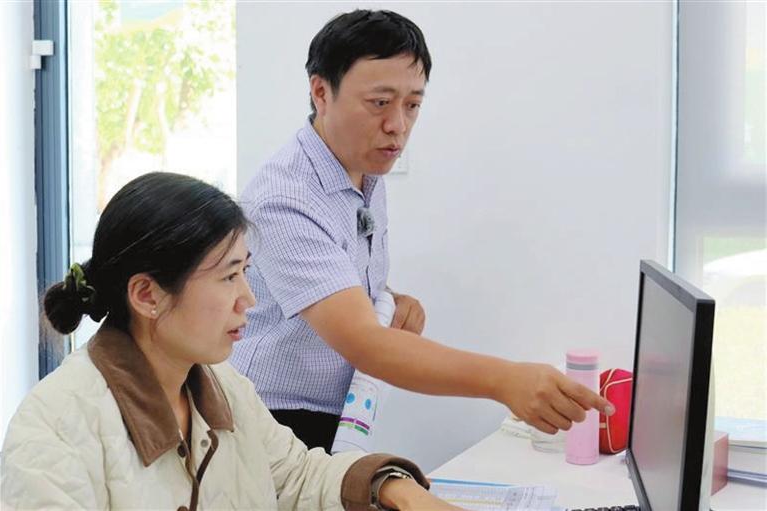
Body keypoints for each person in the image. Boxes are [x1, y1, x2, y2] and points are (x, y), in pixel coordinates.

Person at [231, 9, 614, 453]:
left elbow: (331, 275)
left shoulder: (363, 171)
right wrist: (506, 380)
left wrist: (385, 297)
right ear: (321, 92)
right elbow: (367, 345)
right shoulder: (285, 198)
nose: (398, 125)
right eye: (380, 103)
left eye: (412, 105)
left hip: (336, 412)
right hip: (271, 419)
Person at [0, 172, 462, 511]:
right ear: (147, 295)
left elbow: (297, 476)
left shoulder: (225, 387)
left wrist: (394, 488)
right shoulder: (55, 427)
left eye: (245, 271)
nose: (249, 298)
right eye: (228, 277)